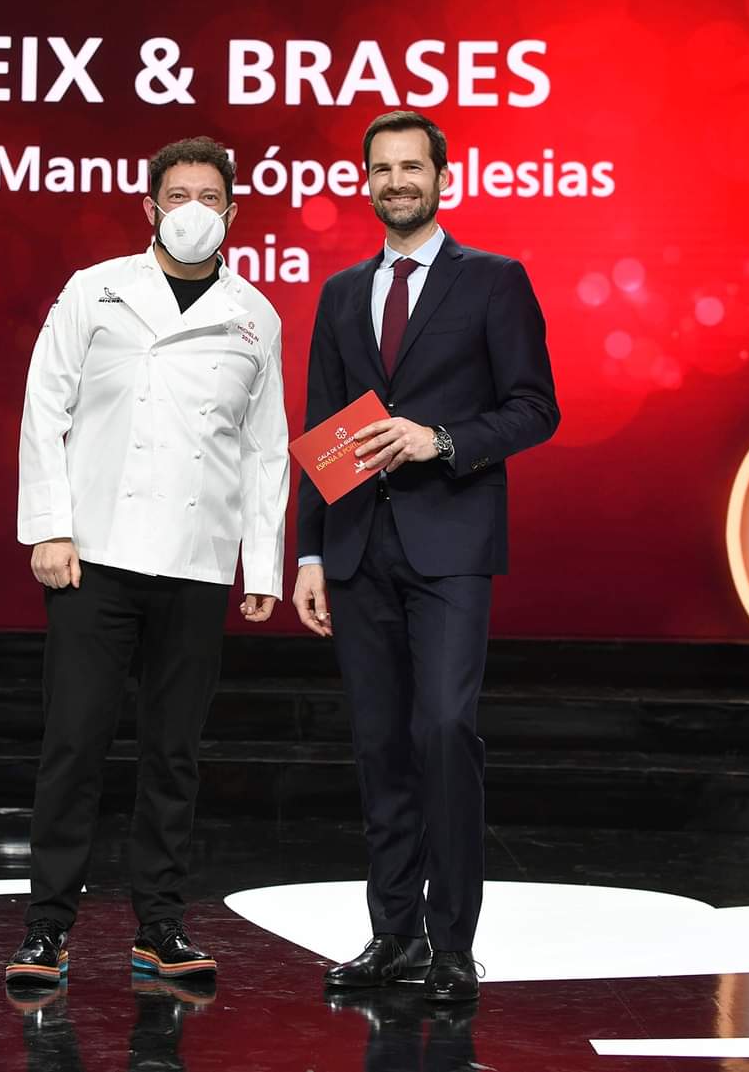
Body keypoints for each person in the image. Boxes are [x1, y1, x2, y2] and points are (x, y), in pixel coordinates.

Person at [8, 136, 289, 985]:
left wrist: (262, 566)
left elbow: (265, 449)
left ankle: (161, 925)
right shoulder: (94, 289)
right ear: (151, 207)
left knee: (174, 751)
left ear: (233, 211)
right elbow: (44, 406)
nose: (193, 210)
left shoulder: (256, 315)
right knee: (74, 743)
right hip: (93, 555)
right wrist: (48, 528)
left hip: (197, 563)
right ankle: (46, 929)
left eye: (209, 196)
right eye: (178, 195)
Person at [293, 111, 559, 1000]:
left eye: (412, 166)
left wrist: (439, 440)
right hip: (357, 548)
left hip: (451, 545)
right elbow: (323, 427)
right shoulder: (340, 293)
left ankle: (452, 945)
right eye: (382, 168)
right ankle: (394, 937)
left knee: (443, 731)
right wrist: (308, 554)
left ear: (444, 177)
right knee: (380, 745)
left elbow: (535, 408)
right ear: (365, 181)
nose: (397, 181)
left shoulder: (494, 280)